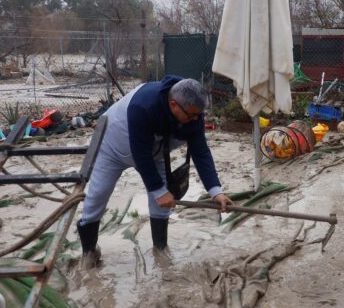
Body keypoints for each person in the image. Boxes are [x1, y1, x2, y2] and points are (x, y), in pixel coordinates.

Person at [76, 76, 232, 268]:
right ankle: (89, 251)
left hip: (154, 151)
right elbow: (140, 153)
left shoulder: (193, 114)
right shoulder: (143, 106)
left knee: (161, 203)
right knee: (98, 195)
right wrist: (158, 190)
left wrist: (216, 191)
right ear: (173, 104)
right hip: (113, 146)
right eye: (191, 116)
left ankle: (160, 248)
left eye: (198, 115)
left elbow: (200, 151)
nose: (196, 120)